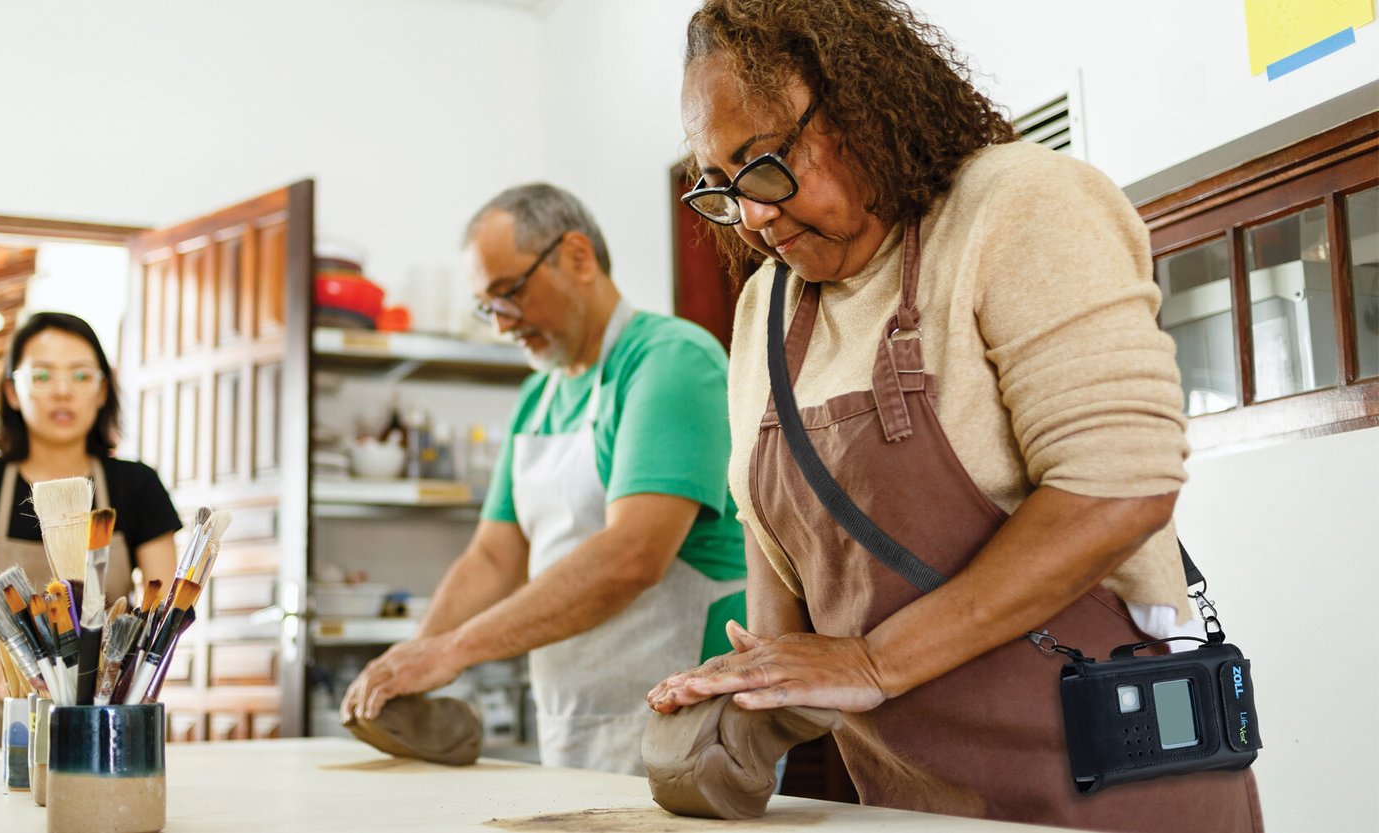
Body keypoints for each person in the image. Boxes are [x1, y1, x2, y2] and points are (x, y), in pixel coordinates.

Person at [645, 2, 1261, 830]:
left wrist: (873, 660)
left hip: (1115, 781)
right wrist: (745, 699)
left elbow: (1121, 488)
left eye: (761, 165)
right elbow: (788, 613)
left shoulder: (1019, 206)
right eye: (720, 187)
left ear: (857, 101)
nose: (751, 215)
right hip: (916, 807)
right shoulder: (764, 310)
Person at [340, 184, 747, 775]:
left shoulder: (670, 360)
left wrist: (453, 652)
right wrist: (413, 662)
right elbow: (492, 557)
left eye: (508, 295)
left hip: (690, 723)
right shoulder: (539, 397)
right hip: (576, 719)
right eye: (488, 306)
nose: (503, 324)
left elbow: (633, 555)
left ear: (577, 257)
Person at [0, 311, 181, 748]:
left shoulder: (136, 486)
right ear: (12, 391)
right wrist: (23, 695)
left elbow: (164, 607)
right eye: (42, 375)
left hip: (106, 714)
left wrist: (108, 693)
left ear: (102, 391)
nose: (63, 391)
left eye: (81, 376)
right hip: (1, 713)